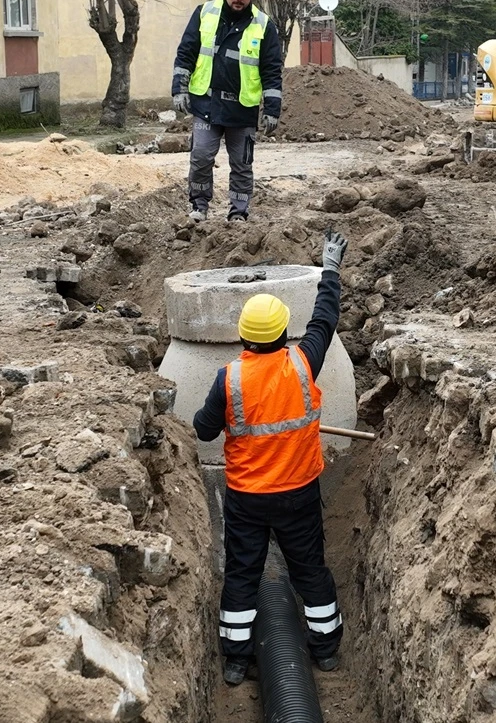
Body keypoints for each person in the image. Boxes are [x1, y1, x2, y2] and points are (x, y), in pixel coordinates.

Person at [193, 231, 349, 686]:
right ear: (283, 333)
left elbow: (203, 429)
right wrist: (330, 270)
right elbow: (324, 320)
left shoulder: (230, 379)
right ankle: (326, 652)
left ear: (244, 335)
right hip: (299, 493)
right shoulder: (303, 364)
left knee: (243, 574)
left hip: (246, 498)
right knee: (310, 570)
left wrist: (224, 419)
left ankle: (237, 660)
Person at [171, 0, 283, 223]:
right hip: (206, 104)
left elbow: (271, 70)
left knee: (242, 164)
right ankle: (199, 206)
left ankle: (238, 212)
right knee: (200, 157)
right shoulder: (204, 13)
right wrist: (180, 89)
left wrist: (272, 109)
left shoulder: (264, 25)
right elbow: (186, 53)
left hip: (242, 108)